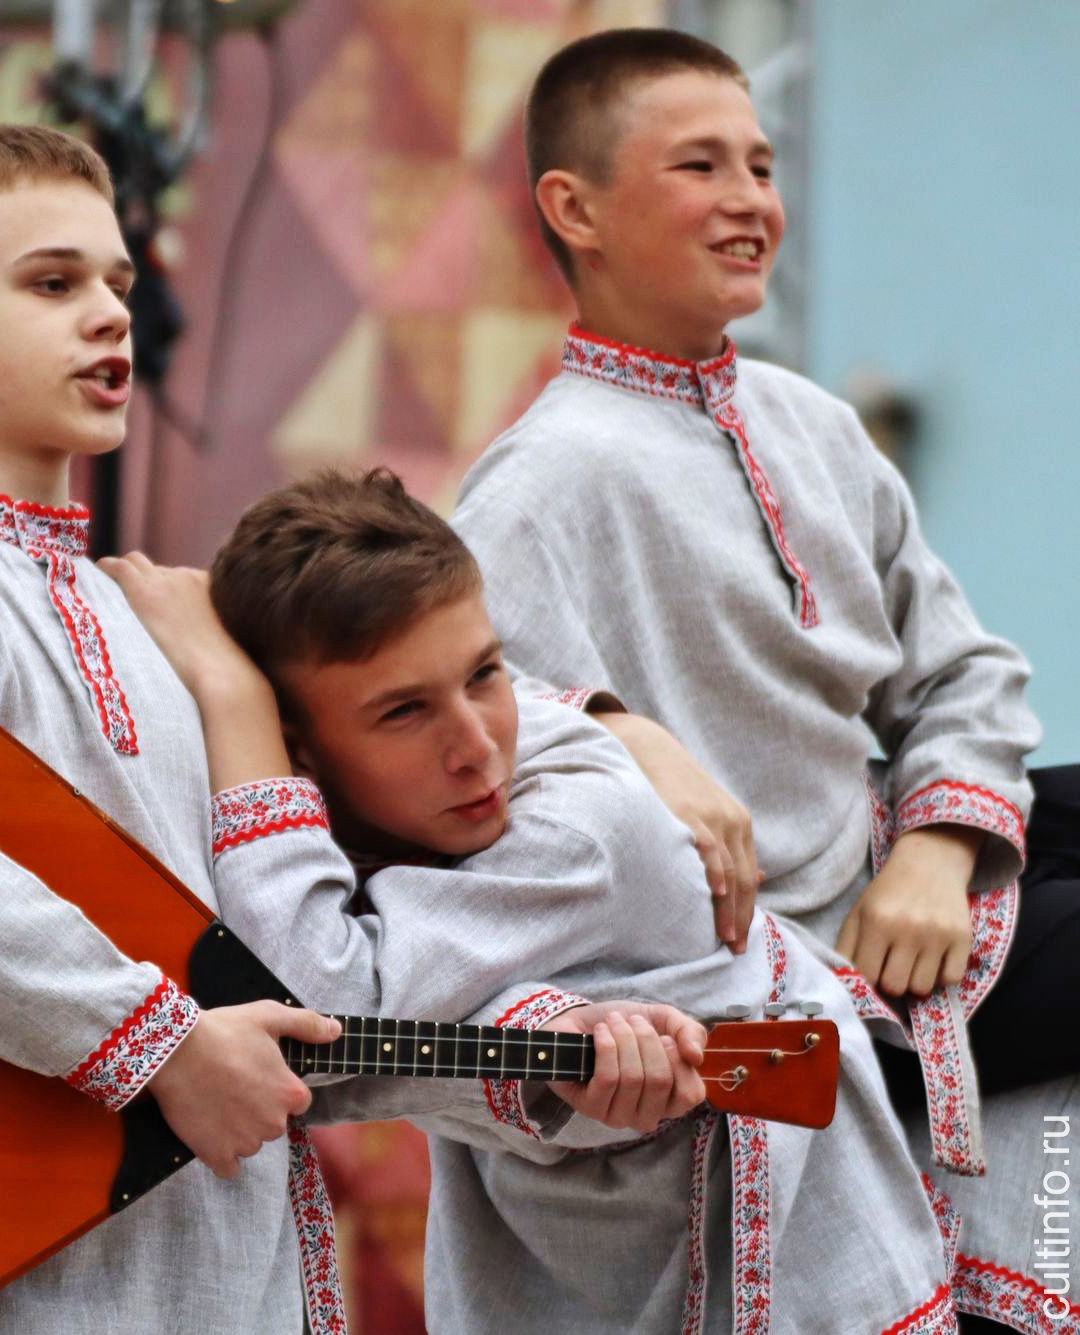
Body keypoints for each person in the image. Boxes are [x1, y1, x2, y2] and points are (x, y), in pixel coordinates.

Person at [0, 123, 693, 1334]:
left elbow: (304, 974)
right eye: (51, 283)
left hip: (239, 1256)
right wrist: (159, 1046)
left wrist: (563, 1057)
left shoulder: (160, 619)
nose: (109, 316)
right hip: (23, 1268)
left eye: (118, 283)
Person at [451, 27, 1078, 1331]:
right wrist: (624, 734)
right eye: (699, 166)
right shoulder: (539, 483)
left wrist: (939, 851)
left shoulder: (812, 424)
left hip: (891, 878)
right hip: (782, 966)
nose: (749, 199)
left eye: (761, 163)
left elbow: (963, 671)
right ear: (574, 208)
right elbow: (491, 765)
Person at [106, 466, 963, 1334]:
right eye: (405, 712)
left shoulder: (578, 829)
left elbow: (316, 1015)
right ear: (302, 751)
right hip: (577, 1265)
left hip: (794, 1282)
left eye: (486, 672)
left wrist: (231, 695)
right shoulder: (446, 772)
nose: (478, 747)